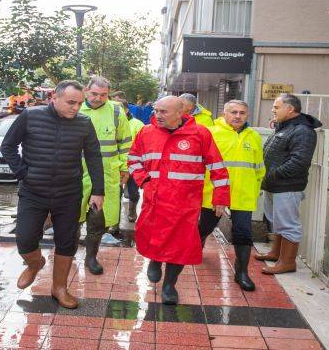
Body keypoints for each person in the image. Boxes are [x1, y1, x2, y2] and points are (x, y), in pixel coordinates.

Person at [0, 80, 104, 309]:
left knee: (67, 242)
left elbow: (94, 157)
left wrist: (98, 191)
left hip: (68, 192)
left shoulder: (84, 123)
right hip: (33, 191)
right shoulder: (30, 116)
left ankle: (59, 288)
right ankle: (34, 264)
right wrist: (23, 173)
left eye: (79, 103)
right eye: (70, 102)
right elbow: (7, 146)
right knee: (25, 239)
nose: (76, 108)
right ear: (54, 98)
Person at [128, 95, 230, 304]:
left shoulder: (200, 134)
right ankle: (155, 260)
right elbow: (133, 160)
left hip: (185, 204)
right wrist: (145, 182)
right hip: (154, 200)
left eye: (163, 112)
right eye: (156, 110)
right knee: (152, 237)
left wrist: (221, 198)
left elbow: (218, 168)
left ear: (181, 113)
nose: (157, 115)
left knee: (180, 246)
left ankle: (169, 284)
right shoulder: (146, 132)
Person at [199, 100, 265, 291]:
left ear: (247, 115)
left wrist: (256, 186)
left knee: (243, 232)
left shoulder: (253, 136)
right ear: (224, 114)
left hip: (243, 193)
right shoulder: (211, 133)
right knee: (205, 226)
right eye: (233, 112)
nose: (238, 116)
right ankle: (199, 240)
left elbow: (259, 166)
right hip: (214, 192)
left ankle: (242, 272)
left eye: (242, 113)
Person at [255, 94, 321, 274]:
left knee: (288, 224)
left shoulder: (303, 131)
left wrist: (272, 176)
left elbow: (298, 162)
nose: (273, 110)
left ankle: (288, 262)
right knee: (277, 221)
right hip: (274, 185)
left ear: (290, 109)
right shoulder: (285, 127)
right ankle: (276, 253)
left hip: (287, 186)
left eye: (276, 107)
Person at [79, 77, 132, 275]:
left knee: (97, 219)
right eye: (94, 94)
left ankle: (91, 257)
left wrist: (125, 168)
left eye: (103, 95)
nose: (98, 98)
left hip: (105, 174)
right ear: (86, 91)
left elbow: (126, 142)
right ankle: (65, 254)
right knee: (71, 218)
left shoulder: (116, 110)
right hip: (75, 173)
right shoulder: (75, 107)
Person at [113, 91, 145, 222]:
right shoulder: (112, 123)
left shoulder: (138, 125)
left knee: (132, 192)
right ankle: (114, 220)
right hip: (115, 164)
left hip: (133, 165)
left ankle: (132, 211)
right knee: (116, 193)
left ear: (126, 110)